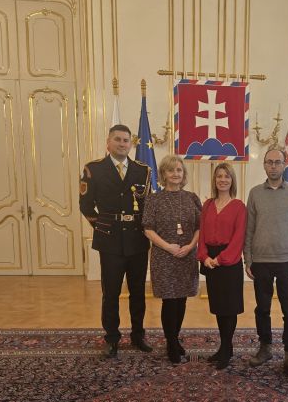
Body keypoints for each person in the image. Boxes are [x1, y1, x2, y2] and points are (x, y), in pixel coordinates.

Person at [79, 124, 153, 358]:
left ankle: (138, 335)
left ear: (131, 144)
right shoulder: (93, 169)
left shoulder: (143, 170)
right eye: (117, 139)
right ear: (108, 142)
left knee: (138, 292)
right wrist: (103, 228)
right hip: (109, 242)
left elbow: (148, 205)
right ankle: (112, 338)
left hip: (137, 240)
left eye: (126, 140)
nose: (122, 144)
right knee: (110, 293)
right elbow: (86, 205)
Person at [244, 148, 288, 377]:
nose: (273, 166)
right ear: (264, 165)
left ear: (284, 165)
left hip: (287, 262)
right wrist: (248, 259)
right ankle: (265, 348)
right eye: (269, 162)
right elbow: (249, 229)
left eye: (278, 162)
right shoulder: (255, 193)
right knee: (262, 308)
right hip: (260, 261)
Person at [142, 155, 201, 364]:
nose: (175, 174)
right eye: (171, 170)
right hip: (163, 256)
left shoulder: (192, 198)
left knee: (181, 299)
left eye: (179, 170)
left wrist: (190, 246)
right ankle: (172, 343)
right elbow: (148, 229)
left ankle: (174, 339)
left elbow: (200, 227)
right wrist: (168, 247)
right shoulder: (154, 199)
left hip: (187, 255)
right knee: (169, 301)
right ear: (163, 174)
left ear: (183, 174)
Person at [197, 163, 247, 369]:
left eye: (227, 176)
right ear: (214, 180)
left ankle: (226, 348)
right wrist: (204, 257)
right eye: (219, 176)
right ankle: (224, 346)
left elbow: (239, 238)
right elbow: (201, 233)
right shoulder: (208, 205)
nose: (223, 180)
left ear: (232, 180)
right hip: (210, 261)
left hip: (229, 262)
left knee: (229, 307)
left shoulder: (239, 207)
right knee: (218, 307)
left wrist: (220, 259)